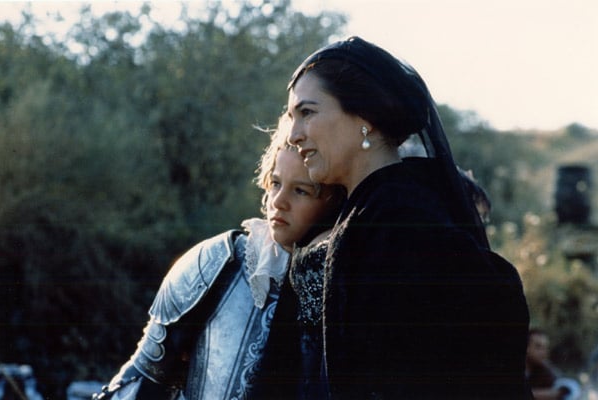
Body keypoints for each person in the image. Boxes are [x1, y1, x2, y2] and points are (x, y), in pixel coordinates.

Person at [286, 36, 531, 399]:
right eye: (292, 117)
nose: (293, 136)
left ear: (364, 118)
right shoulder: (369, 212)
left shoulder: (402, 222)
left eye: (307, 113)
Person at [92, 115, 344, 400]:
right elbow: (140, 382)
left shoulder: (353, 280)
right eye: (275, 183)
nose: (278, 202)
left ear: (334, 201)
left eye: (300, 190)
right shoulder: (219, 263)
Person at [526, 328, 581, 400]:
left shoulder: (544, 368)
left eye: (545, 347)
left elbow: (572, 387)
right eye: (538, 347)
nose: (543, 352)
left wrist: (559, 392)